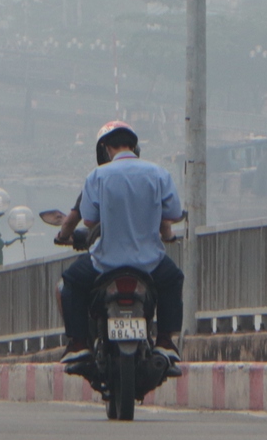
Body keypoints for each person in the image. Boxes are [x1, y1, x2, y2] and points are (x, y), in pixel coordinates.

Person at [56, 122, 189, 369]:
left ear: (107, 148)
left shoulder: (98, 176)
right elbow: (171, 213)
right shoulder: (159, 173)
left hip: (105, 262)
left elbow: (89, 219)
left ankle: (78, 345)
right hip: (150, 262)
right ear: (134, 146)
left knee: (71, 283)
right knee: (173, 280)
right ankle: (165, 342)